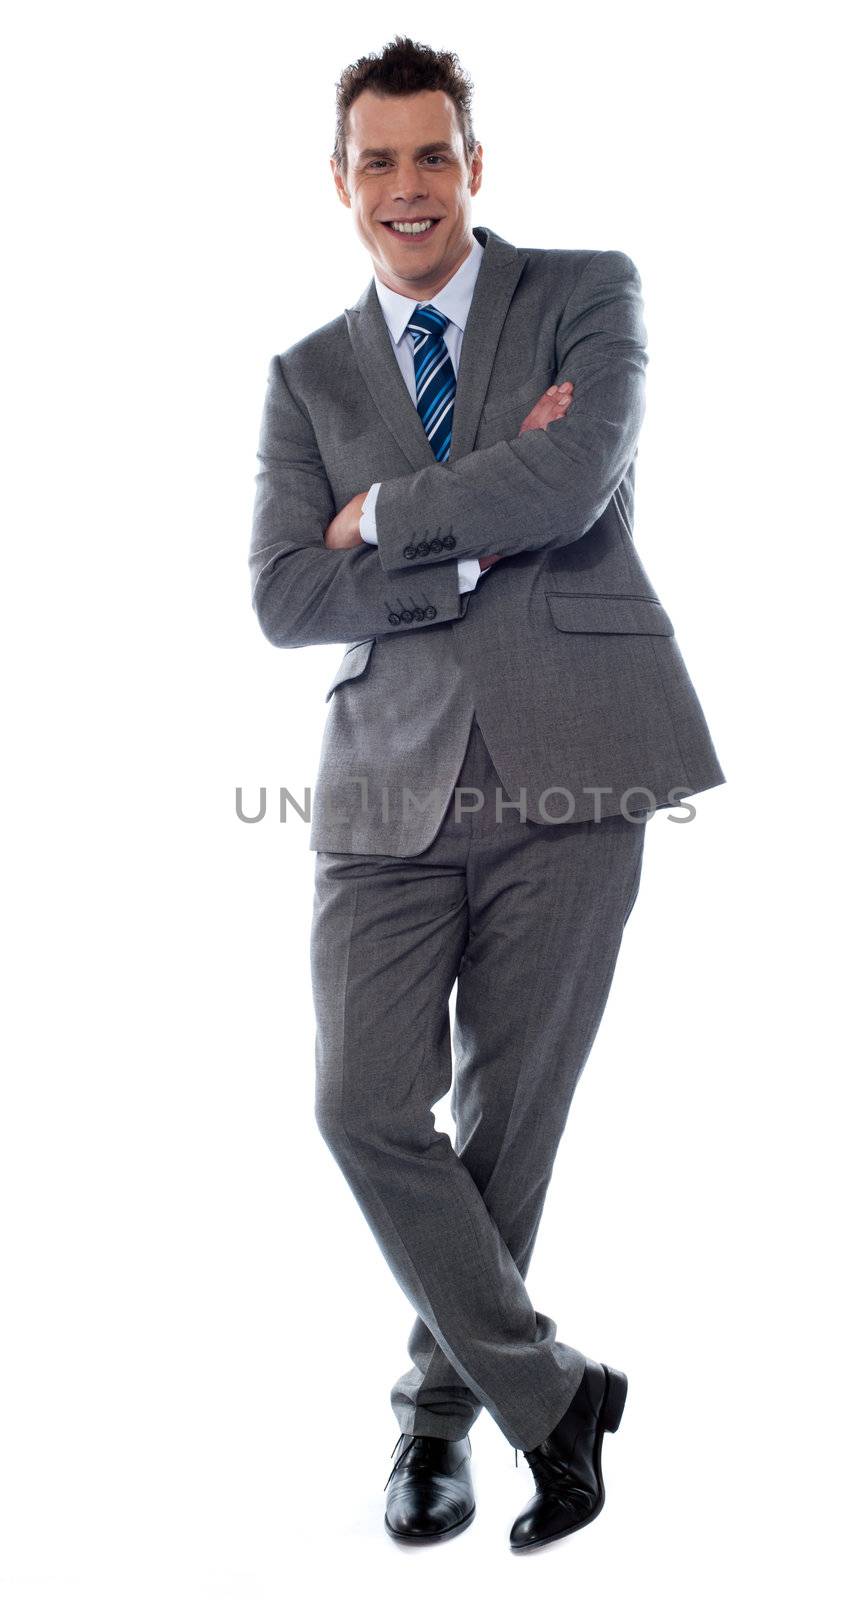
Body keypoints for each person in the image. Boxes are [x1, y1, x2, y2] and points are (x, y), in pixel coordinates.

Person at [248, 35, 725, 1552]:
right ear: (342, 183)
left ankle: (434, 1428)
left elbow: (575, 478)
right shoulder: (304, 377)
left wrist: (385, 515)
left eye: (432, 155)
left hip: (579, 759)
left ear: (474, 165)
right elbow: (277, 594)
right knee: (361, 1107)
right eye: (377, 160)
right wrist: (469, 532)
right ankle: (552, 1392)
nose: (407, 186)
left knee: (511, 1121)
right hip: (385, 786)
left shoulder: (587, 290)